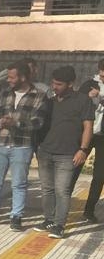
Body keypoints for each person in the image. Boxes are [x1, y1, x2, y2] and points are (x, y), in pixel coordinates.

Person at [0, 61, 50, 231]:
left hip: (22, 146)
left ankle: (16, 216)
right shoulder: (4, 93)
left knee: (19, 183)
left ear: (22, 77)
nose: (9, 80)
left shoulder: (39, 95)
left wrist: (17, 122)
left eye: (12, 77)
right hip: (0, 143)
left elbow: (39, 122)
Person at [32, 66, 93, 239]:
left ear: (70, 83)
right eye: (53, 83)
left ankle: (59, 225)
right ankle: (48, 220)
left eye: (59, 84)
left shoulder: (83, 101)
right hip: (45, 151)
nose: (54, 87)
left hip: (67, 154)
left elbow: (88, 127)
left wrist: (83, 149)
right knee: (47, 189)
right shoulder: (49, 101)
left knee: (62, 190)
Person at [79, 61, 104, 223]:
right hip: (85, 133)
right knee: (73, 168)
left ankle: (89, 210)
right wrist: (88, 97)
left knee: (100, 175)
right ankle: (61, 208)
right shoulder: (89, 84)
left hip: (103, 136)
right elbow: (77, 103)